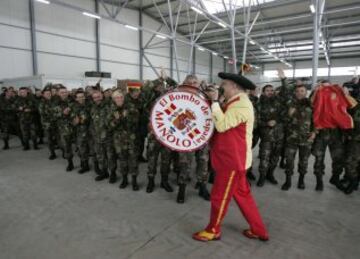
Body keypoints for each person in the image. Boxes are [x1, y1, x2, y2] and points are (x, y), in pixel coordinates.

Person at [192, 72, 268, 242]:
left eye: (224, 84)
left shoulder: (241, 104)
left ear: (234, 86)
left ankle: (213, 230)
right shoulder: (235, 102)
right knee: (243, 196)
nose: (222, 87)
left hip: (232, 161)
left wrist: (214, 102)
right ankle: (259, 230)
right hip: (233, 159)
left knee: (219, 196)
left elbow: (222, 125)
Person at [281, 84, 315, 190]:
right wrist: (289, 115)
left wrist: (314, 132)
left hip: (306, 139)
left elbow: (316, 120)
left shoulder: (311, 105)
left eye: (302, 91)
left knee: (303, 161)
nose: (300, 93)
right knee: (289, 160)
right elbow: (283, 120)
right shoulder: (290, 104)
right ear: (295, 93)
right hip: (291, 138)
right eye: (297, 91)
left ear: (306, 92)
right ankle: (288, 181)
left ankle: (301, 180)